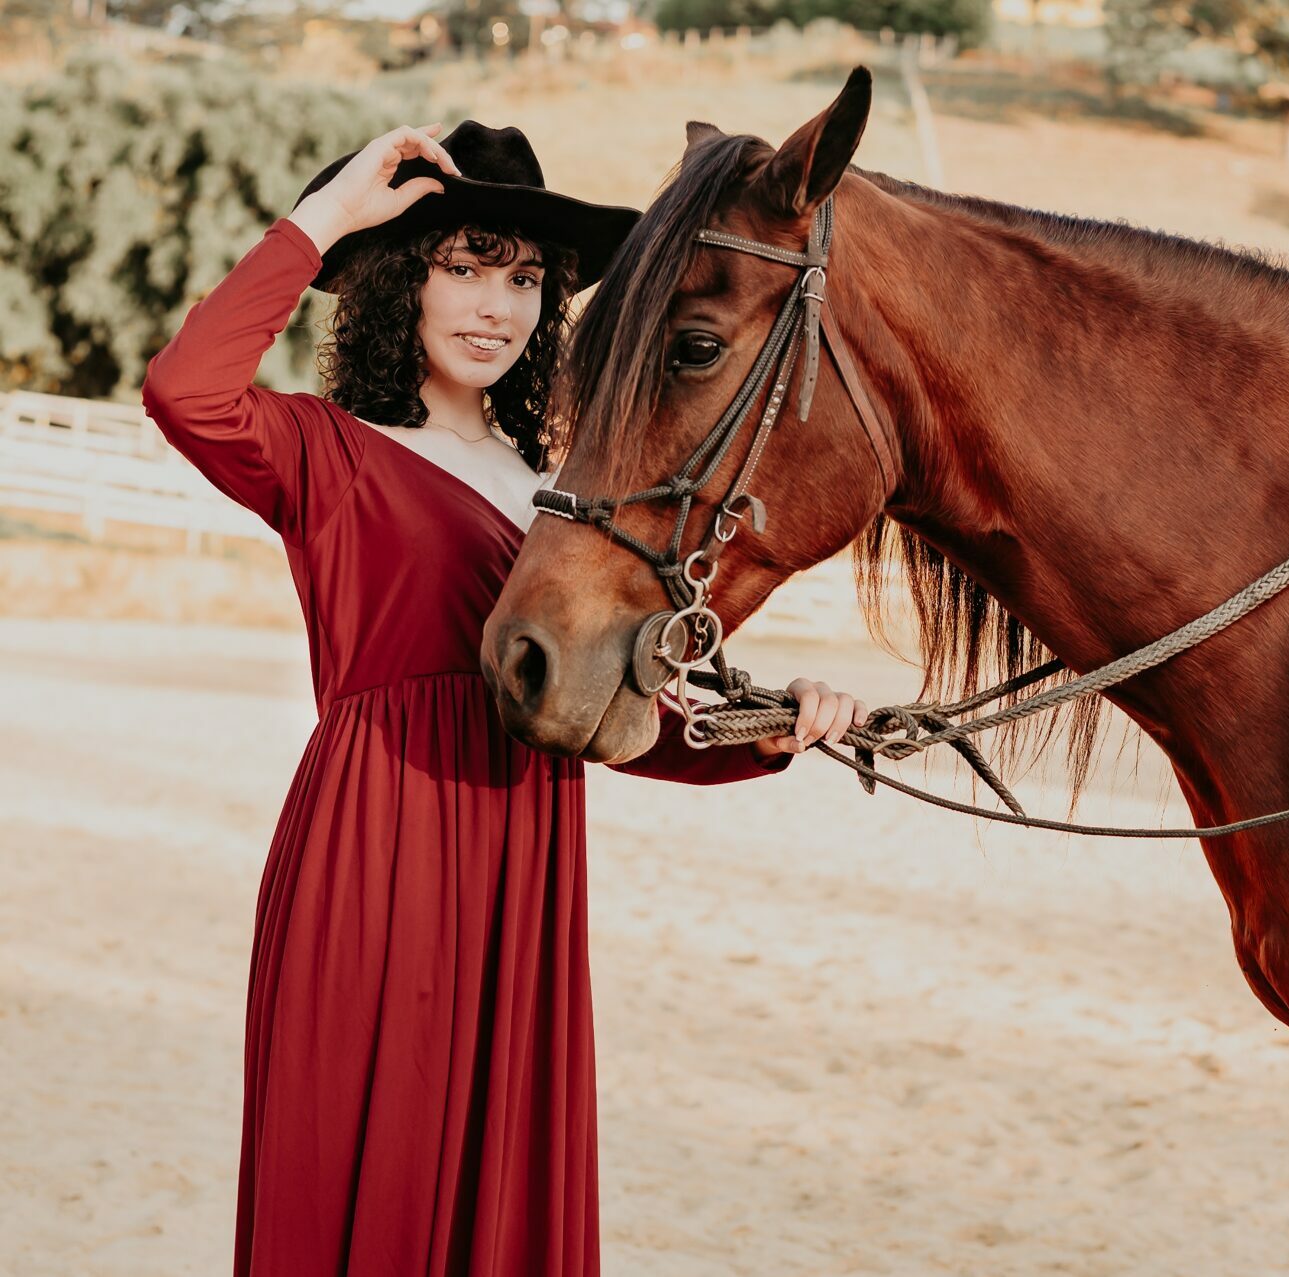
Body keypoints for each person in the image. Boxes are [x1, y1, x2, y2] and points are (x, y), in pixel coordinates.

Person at [141, 121, 864, 1277]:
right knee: (359, 1164)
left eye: (525, 279)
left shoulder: (565, 501)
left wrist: (774, 727)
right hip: (373, 843)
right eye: (464, 267)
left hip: (526, 855)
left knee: (498, 1184)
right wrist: (326, 219)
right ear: (402, 279)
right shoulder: (327, 449)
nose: (496, 306)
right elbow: (185, 389)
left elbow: (621, 717)